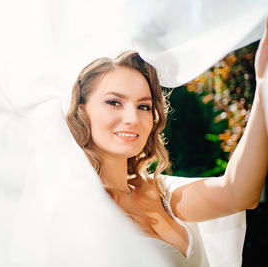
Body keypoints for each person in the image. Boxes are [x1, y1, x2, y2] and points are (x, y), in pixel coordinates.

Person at [65, 19, 268, 267]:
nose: (132, 119)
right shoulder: (75, 208)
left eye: (143, 106)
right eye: (114, 102)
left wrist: (263, 84)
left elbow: (237, 193)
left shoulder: (161, 191)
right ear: (81, 110)